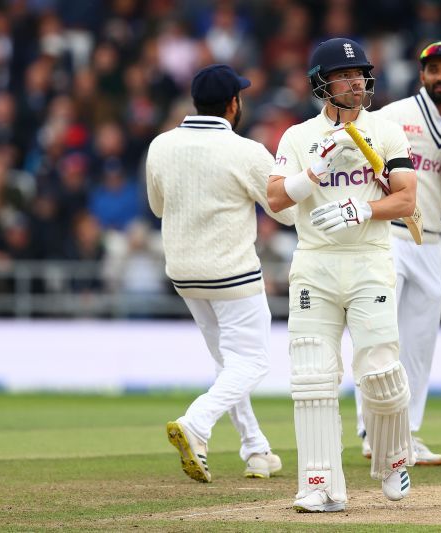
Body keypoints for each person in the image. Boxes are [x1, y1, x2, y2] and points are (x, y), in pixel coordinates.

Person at [266, 38, 419, 512]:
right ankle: (319, 484)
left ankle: (394, 461)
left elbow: (407, 202)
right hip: (315, 263)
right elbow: (275, 201)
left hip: (370, 259)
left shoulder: (387, 132)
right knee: (313, 376)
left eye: (361, 74)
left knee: (379, 373)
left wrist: (362, 210)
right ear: (322, 82)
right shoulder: (296, 138)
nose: (357, 82)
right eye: (345, 75)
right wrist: (312, 174)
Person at [353, 40, 441, 466]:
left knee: (419, 347)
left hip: (428, 242)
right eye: (432, 70)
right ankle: (370, 429)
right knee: (380, 337)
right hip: (389, 237)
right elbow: (359, 152)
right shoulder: (394, 116)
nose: (440, 77)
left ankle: (407, 433)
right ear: (421, 75)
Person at [146, 64, 294, 482]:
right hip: (232, 275)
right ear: (234, 104)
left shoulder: (160, 145)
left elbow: (158, 207)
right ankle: (196, 424)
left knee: (228, 363)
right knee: (253, 361)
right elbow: (286, 214)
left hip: (183, 274)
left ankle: (256, 449)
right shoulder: (245, 150)